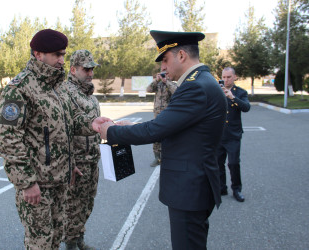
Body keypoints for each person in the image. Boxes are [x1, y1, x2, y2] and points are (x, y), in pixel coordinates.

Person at [98, 30, 227, 250]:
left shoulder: (195, 86)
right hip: (195, 184)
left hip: (189, 189)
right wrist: (131, 126)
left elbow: (155, 130)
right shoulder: (203, 82)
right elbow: (176, 126)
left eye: (165, 60)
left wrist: (110, 132)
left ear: (182, 55)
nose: (162, 68)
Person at [0, 29, 109, 249]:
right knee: (40, 244)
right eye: (56, 54)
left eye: (63, 54)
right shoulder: (20, 88)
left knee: (56, 239)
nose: (61, 60)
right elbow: (6, 139)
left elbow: (66, 125)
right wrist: (27, 183)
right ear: (38, 54)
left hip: (59, 182)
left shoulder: (58, 87)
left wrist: (91, 125)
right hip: (38, 186)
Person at [63, 50, 101, 250]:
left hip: (92, 159)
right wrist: (69, 163)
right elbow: (63, 131)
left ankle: (79, 240)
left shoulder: (91, 97)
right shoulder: (66, 93)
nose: (90, 73)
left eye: (92, 69)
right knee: (73, 207)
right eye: (86, 69)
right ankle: (70, 244)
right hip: (77, 163)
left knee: (87, 204)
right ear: (73, 69)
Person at [218, 67, 251, 202]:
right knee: (218, 163)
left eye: (229, 77)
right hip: (219, 135)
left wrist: (232, 97)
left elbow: (246, 108)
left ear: (235, 77)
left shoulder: (240, 93)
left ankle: (236, 189)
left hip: (233, 135)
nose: (226, 80)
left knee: (233, 163)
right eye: (224, 77)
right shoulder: (216, 91)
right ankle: (221, 188)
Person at [146, 72, 178, 167]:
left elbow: (176, 91)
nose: (163, 76)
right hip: (157, 114)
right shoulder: (157, 85)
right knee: (156, 135)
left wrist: (166, 81)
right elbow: (148, 89)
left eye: (165, 74)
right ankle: (157, 157)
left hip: (168, 114)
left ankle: (169, 157)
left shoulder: (172, 84)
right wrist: (156, 80)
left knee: (168, 135)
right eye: (162, 74)